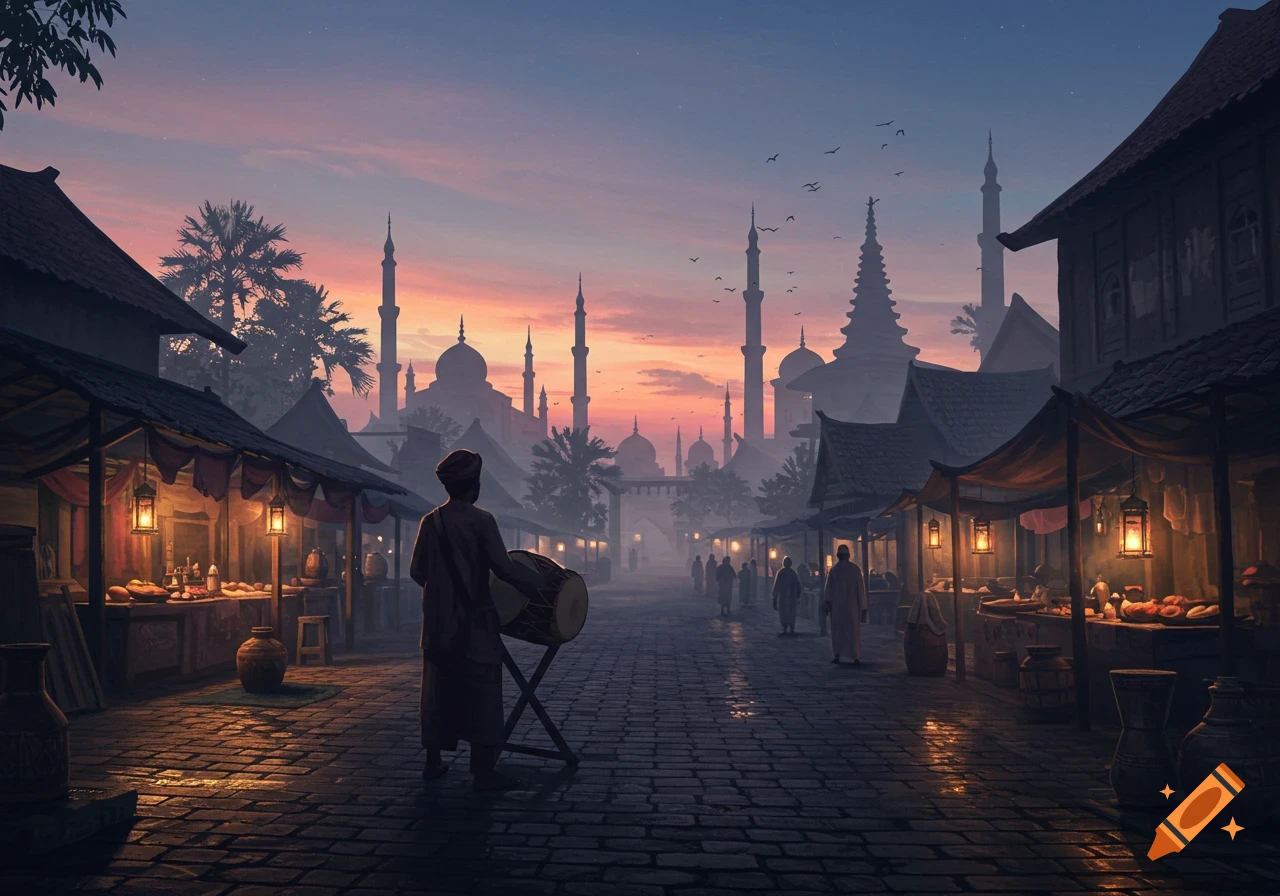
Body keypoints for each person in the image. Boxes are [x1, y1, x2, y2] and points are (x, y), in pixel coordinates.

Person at [410, 449, 543, 792]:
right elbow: (503, 567)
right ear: (474, 484)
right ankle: (483, 771)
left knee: (438, 691)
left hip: (438, 627)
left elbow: (416, 571)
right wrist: (534, 585)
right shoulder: (481, 521)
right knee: (482, 691)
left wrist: (441, 592)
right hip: (475, 623)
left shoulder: (431, 521)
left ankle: (433, 762)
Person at [824, 544, 868, 664]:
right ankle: (855, 656)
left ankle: (837, 654)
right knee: (853, 631)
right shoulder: (855, 570)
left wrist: (827, 603)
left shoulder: (834, 570)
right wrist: (863, 606)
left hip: (838, 607)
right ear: (848, 555)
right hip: (852, 607)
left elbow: (828, 590)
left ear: (838, 556)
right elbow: (861, 591)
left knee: (838, 631)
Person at [772, 556, 801, 635]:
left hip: (783, 596)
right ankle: (792, 628)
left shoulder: (781, 572)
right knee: (792, 613)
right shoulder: (793, 573)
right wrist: (798, 596)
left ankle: (785, 628)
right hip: (792, 597)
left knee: (783, 612)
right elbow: (798, 586)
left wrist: (774, 598)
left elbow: (776, 586)